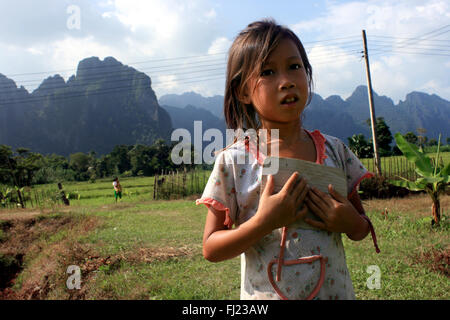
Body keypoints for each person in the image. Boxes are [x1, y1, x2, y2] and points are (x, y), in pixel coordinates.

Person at [196, 19, 380, 300]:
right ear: (243, 91)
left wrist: (348, 222)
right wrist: (264, 222)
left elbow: (361, 228)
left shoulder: (336, 151)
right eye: (268, 72)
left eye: (294, 67)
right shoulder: (234, 161)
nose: (286, 81)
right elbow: (211, 248)